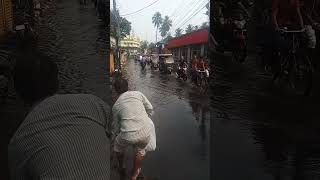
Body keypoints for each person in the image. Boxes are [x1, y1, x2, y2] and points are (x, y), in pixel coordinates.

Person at [8, 53, 112, 179]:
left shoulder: (18, 142)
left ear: (18, 91)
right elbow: (114, 129)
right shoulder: (92, 102)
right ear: (57, 81)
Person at [112, 78, 156, 180]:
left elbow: (116, 128)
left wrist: (116, 134)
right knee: (141, 150)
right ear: (128, 87)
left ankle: (122, 166)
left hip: (127, 135)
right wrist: (146, 118)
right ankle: (135, 174)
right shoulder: (138, 94)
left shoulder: (116, 106)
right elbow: (150, 108)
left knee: (117, 147)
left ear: (115, 90)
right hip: (145, 132)